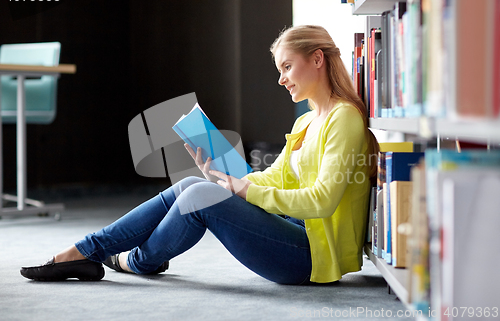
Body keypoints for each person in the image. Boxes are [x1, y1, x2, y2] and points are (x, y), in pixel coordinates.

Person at [20, 25, 379, 285]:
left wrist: (242, 191)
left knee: (199, 196)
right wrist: (225, 179)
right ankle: (86, 250)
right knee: (194, 184)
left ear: (317, 59)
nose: (281, 79)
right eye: (279, 71)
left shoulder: (343, 118)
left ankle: (134, 261)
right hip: (293, 231)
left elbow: (322, 202)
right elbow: (274, 178)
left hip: (311, 255)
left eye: (287, 67)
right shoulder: (308, 122)